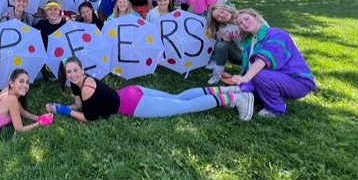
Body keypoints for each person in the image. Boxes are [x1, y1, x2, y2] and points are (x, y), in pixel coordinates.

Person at [45, 56, 254, 122]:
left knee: (185, 106)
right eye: (69, 71)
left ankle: (236, 99)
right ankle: (230, 90)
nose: (72, 74)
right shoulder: (78, 84)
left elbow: (88, 117)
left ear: (83, 69)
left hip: (135, 104)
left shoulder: (86, 87)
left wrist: (63, 110)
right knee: (178, 96)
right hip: (132, 91)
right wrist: (63, 104)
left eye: (75, 70)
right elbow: (80, 105)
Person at [229, 9, 316, 117]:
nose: (244, 23)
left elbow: (264, 59)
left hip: (298, 81)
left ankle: (276, 109)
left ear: (257, 17)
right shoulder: (249, 41)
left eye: (246, 19)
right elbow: (250, 67)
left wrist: (246, 78)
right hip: (277, 78)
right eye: (240, 23)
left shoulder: (277, 34)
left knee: (259, 75)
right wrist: (240, 79)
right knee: (243, 89)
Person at [205, 4, 243, 85]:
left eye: (221, 11)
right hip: (242, 55)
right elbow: (223, 49)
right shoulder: (222, 30)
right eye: (218, 17)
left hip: (259, 51)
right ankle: (218, 73)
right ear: (217, 21)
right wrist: (227, 41)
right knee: (221, 44)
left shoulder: (243, 16)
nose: (222, 15)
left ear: (226, 8)